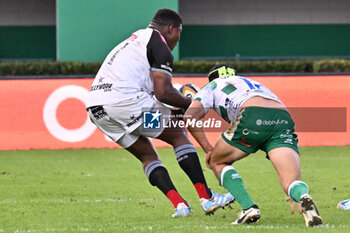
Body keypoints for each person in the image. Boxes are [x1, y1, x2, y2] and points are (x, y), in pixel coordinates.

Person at [86, 9, 234, 217]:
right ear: (171, 29)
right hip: (125, 101)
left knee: (147, 155)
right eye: (178, 35)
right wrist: (190, 104)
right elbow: (163, 93)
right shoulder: (159, 45)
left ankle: (180, 205)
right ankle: (207, 197)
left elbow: (154, 92)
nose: (177, 41)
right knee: (178, 133)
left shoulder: (134, 40)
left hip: (96, 109)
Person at [183, 64, 323, 226]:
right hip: (282, 117)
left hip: (252, 114)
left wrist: (208, 149)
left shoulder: (211, 86)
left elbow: (190, 117)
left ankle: (248, 207)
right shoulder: (249, 81)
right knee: (290, 181)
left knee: (216, 161)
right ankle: (302, 196)